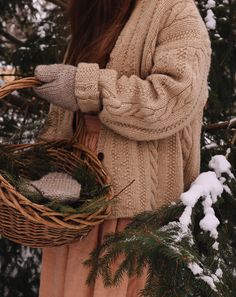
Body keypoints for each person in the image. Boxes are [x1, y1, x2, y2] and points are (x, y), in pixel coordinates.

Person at [33, 0, 212, 296]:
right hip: (74, 207)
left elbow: (170, 98)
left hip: (135, 214)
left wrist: (86, 88)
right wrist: (44, 167)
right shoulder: (92, 12)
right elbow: (62, 113)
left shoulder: (176, 11)